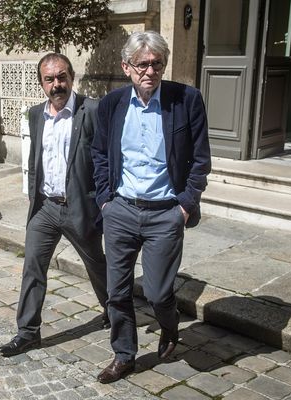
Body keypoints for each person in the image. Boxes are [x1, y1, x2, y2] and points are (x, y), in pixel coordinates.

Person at [91, 31, 211, 383]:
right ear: (127, 67)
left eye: (157, 63)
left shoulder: (186, 99)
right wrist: (104, 201)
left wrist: (185, 206)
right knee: (117, 291)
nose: (150, 70)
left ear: (164, 65)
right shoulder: (112, 104)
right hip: (121, 211)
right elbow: (99, 154)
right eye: (142, 64)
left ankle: (170, 327)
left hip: (165, 213)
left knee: (159, 293)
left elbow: (201, 160)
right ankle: (124, 355)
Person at [0, 53, 109, 357]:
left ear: (72, 77)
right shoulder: (35, 115)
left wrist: (102, 204)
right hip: (45, 208)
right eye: (49, 79)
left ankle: (114, 310)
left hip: (80, 209)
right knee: (32, 266)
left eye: (62, 77)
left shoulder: (93, 111)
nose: (56, 84)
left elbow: (106, 162)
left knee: (97, 266)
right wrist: (32, 191)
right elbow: (36, 160)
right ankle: (28, 332)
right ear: (41, 83)